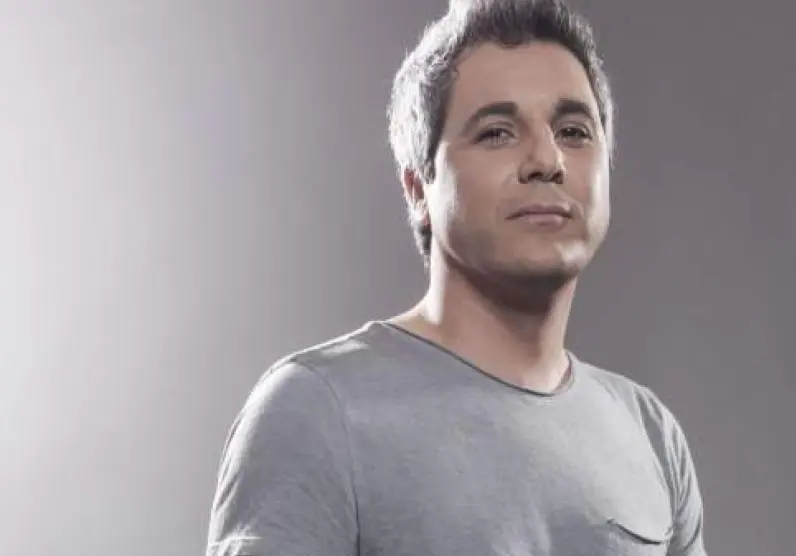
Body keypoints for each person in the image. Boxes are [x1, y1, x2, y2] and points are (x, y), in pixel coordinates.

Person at [205, 0, 707, 554]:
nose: (547, 160)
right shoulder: (318, 409)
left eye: (573, 131)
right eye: (497, 133)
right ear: (418, 188)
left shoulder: (649, 433)